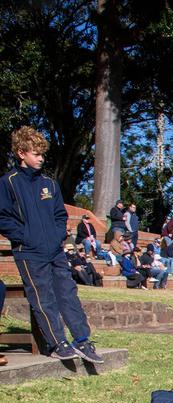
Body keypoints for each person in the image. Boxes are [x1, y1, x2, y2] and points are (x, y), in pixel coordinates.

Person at [0, 127, 104, 363]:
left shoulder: (49, 183)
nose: (41, 159)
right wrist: (25, 237)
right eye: (36, 154)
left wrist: (57, 236)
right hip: (29, 252)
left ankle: (82, 339)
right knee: (43, 297)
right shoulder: (8, 183)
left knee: (68, 294)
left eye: (42, 154)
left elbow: (60, 214)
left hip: (55, 251)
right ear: (21, 153)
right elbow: (3, 218)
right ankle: (58, 342)